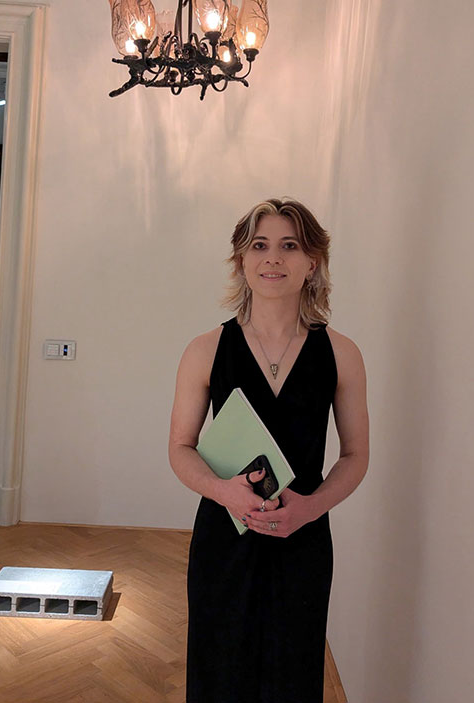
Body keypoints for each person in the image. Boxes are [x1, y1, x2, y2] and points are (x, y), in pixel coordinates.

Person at [168, 198, 369, 703]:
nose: (272, 258)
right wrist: (221, 491)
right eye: (259, 246)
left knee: (292, 674)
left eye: (289, 246)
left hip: (302, 537)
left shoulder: (341, 353)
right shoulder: (205, 350)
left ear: (312, 262)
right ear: (241, 260)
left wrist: (310, 507)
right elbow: (180, 448)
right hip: (223, 537)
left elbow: (355, 455)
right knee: (219, 672)